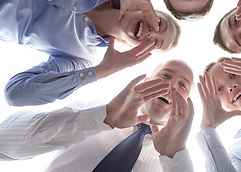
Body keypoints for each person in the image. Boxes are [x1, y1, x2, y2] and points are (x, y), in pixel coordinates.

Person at [0, 0, 181, 106]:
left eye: (155, 43)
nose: (152, 32)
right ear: (148, 9)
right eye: (160, 24)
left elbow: (15, 94)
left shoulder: (82, 58)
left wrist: (102, 71)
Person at [0, 60, 195, 172]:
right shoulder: (90, 111)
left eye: (183, 85)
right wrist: (105, 117)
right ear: (147, 80)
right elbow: (3, 143)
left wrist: (173, 157)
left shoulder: (171, 162)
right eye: (165, 76)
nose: (171, 86)